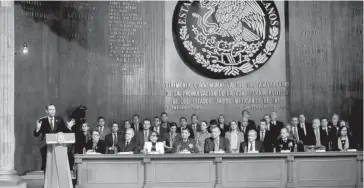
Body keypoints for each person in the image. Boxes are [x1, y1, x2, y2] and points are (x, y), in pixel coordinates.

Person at [33, 104, 75, 171]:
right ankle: (47, 180)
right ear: (46, 111)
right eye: (50, 110)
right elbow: (36, 134)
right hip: (46, 146)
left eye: (53, 109)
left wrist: (69, 127)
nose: (52, 111)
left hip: (58, 146)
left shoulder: (59, 120)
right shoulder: (42, 121)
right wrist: (38, 128)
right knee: (47, 166)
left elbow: (64, 131)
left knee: (58, 166)